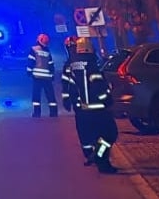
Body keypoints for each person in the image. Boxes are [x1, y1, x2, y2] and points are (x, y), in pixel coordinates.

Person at [61, 37, 117, 172]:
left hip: (81, 110)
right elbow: (99, 88)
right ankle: (100, 158)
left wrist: (70, 101)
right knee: (110, 134)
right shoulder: (93, 65)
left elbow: (69, 85)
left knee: (87, 136)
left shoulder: (72, 65)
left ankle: (92, 156)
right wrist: (108, 99)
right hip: (98, 110)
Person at [27, 33, 58, 116]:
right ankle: (53, 113)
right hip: (47, 77)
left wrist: (29, 71)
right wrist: (52, 75)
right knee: (50, 95)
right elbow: (51, 64)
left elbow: (31, 61)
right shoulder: (47, 51)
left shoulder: (34, 49)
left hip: (37, 77)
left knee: (36, 95)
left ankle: (37, 113)